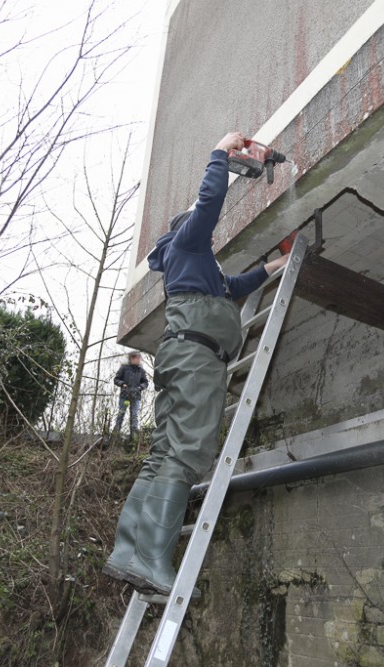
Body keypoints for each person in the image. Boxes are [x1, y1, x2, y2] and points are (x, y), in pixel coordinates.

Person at [103, 132, 290, 595]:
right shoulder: (186, 244)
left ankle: (127, 553)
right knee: (185, 456)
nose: (209, 237)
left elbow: (234, 284)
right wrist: (220, 155)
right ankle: (151, 560)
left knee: (163, 455)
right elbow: (207, 205)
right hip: (194, 359)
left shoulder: (197, 271)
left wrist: (274, 266)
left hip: (182, 356)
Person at [112, 351, 150, 438]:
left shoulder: (141, 371)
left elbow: (145, 382)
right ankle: (115, 435)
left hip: (136, 396)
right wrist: (122, 384)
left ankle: (134, 437)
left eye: (139, 358)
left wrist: (140, 387)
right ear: (132, 358)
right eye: (137, 358)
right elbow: (116, 379)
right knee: (121, 414)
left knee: (134, 416)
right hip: (124, 395)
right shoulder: (124, 368)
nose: (139, 360)